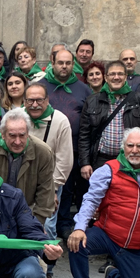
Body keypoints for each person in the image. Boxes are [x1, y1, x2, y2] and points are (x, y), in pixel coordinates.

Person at [65, 128, 140, 278]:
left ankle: (112, 275)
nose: (134, 150)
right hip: (107, 234)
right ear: (123, 148)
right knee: (76, 243)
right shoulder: (109, 169)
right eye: (130, 145)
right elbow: (91, 200)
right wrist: (79, 228)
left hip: (135, 246)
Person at [37, 46, 92, 239]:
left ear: (73, 64)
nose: (64, 66)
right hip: (45, 149)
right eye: (60, 62)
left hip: (74, 149)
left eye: (68, 63)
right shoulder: (41, 86)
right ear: (52, 63)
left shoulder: (83, 89)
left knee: (67, 189)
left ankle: (64, 224)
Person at [0, 109, 56, 224]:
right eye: (12, 136)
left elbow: (45, 193)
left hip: (28, 212)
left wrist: (36, 224)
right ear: (3, 134)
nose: (17, 141)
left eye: (22, 135)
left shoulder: (43, 152)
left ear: (28, 133)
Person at [78, 61, 140, 178]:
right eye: (112, 74)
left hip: (130, 160)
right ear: (106, 78)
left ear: (125, 77)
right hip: (101, 160)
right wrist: (85, 163)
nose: (116, 77)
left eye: (120, 74)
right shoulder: (92, 101)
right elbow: (84, 135)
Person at [25, 83, 73, 241]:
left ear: (47, 100)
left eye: (39, 100)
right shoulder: (17, 117)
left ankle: (49, 256)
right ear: (24, 101)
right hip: (22, 181)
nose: (34, 105)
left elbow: (64, 159)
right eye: (30, 100)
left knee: (47, 226)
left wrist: (53, 188)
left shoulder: (60, 121)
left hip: (49, 181)